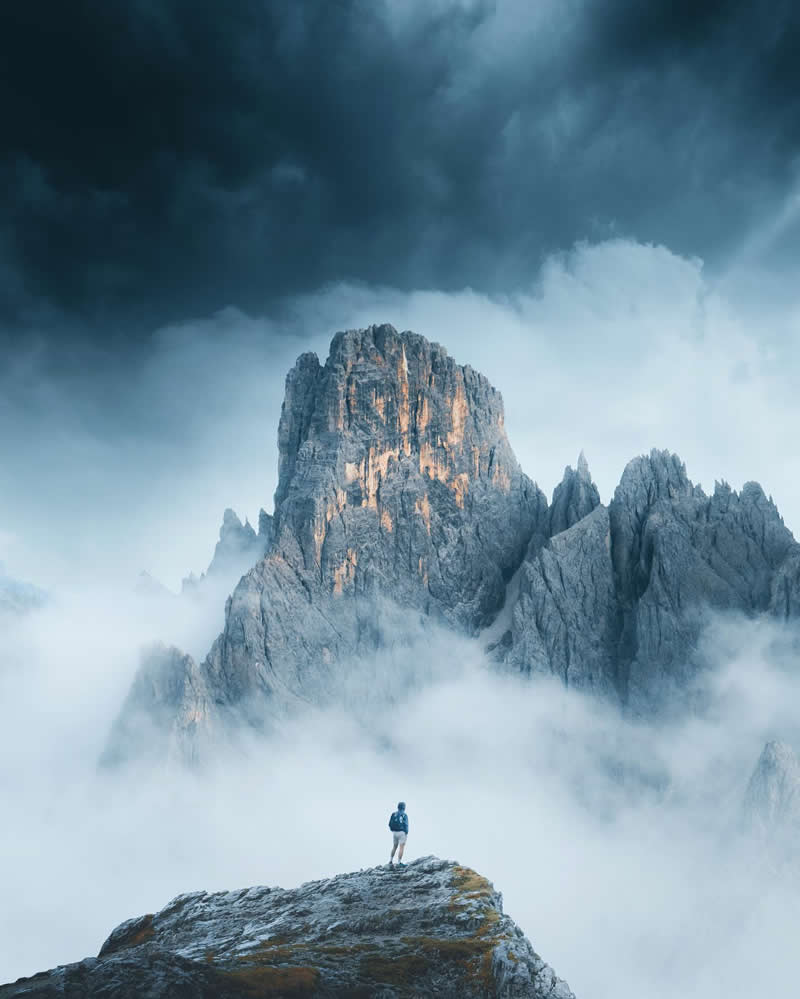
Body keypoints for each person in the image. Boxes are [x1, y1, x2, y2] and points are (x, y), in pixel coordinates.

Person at [388, 801, 409, 867]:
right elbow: (406, 824)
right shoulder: (404, 815)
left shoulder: (394, 814)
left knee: (394, 847)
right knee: (401, 847)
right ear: (404, 807)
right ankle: (399, 862)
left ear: (398, 807)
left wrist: (393, 830)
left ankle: (390, 861)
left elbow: (389, 824)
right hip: (402, 833)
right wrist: (406, 832)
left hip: (395, 833)